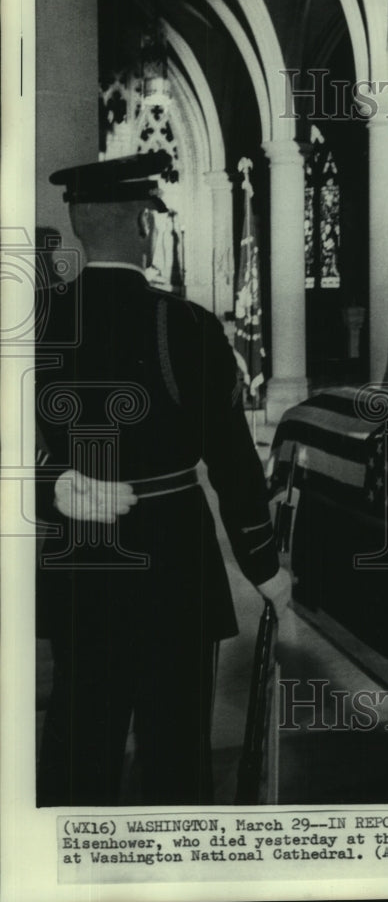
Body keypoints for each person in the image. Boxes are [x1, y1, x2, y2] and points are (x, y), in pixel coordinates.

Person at [35, 151, 291, 805]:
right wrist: (265, 566)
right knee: (175, 751)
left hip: (79, 564)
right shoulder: (187, 327)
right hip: (171, 566)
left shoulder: (38, 326)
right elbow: (233, 462)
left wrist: (53, 487)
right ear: (143, 223)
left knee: (79, 741)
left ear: (81, 225)